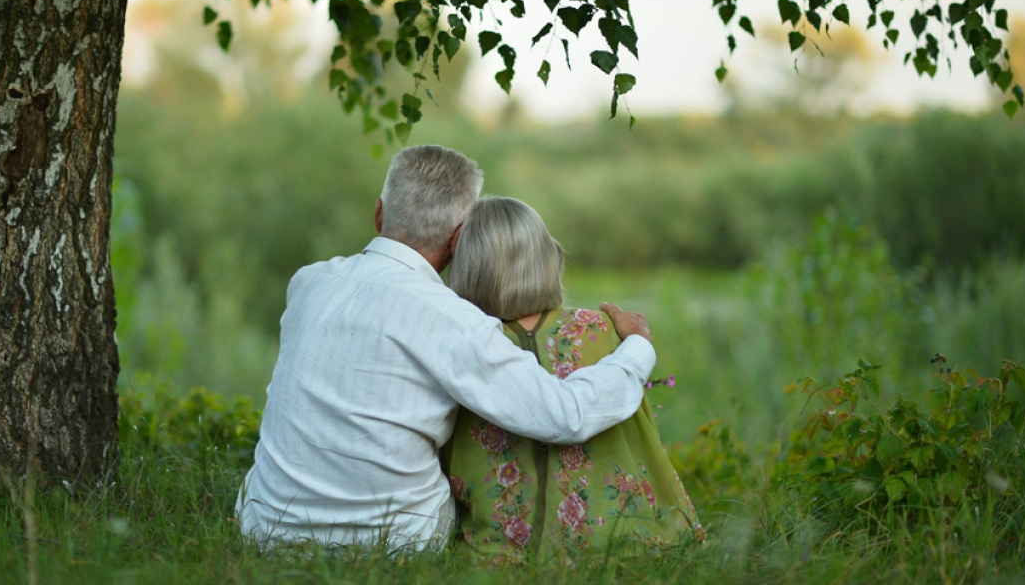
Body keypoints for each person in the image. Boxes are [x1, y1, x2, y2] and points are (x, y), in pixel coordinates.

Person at [234, 145, 658, 553]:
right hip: (394, 543)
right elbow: (565, 415)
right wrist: (637, 347)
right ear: (458, 241)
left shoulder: (308, 283)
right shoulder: (454, 322)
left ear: (379, 212)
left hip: (265, 527)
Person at [444, 196, 704, 563]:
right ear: (547, 257)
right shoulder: (598, 330)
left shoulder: (464, 343)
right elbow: (642, 439)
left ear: (468, 267)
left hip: (493, 551)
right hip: (612, 542)